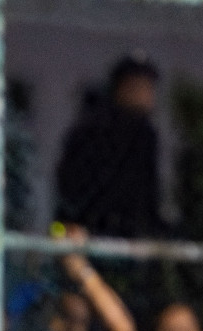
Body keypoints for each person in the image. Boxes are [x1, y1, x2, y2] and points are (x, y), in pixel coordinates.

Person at [55, 54, 162, 238]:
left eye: (149, 87)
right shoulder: (95, 130)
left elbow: (145, 194)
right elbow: (76, 187)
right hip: (89, 235)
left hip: (129, 239)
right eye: (140, 87)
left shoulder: (144, 134)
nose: (148, 95)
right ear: (123, 88)